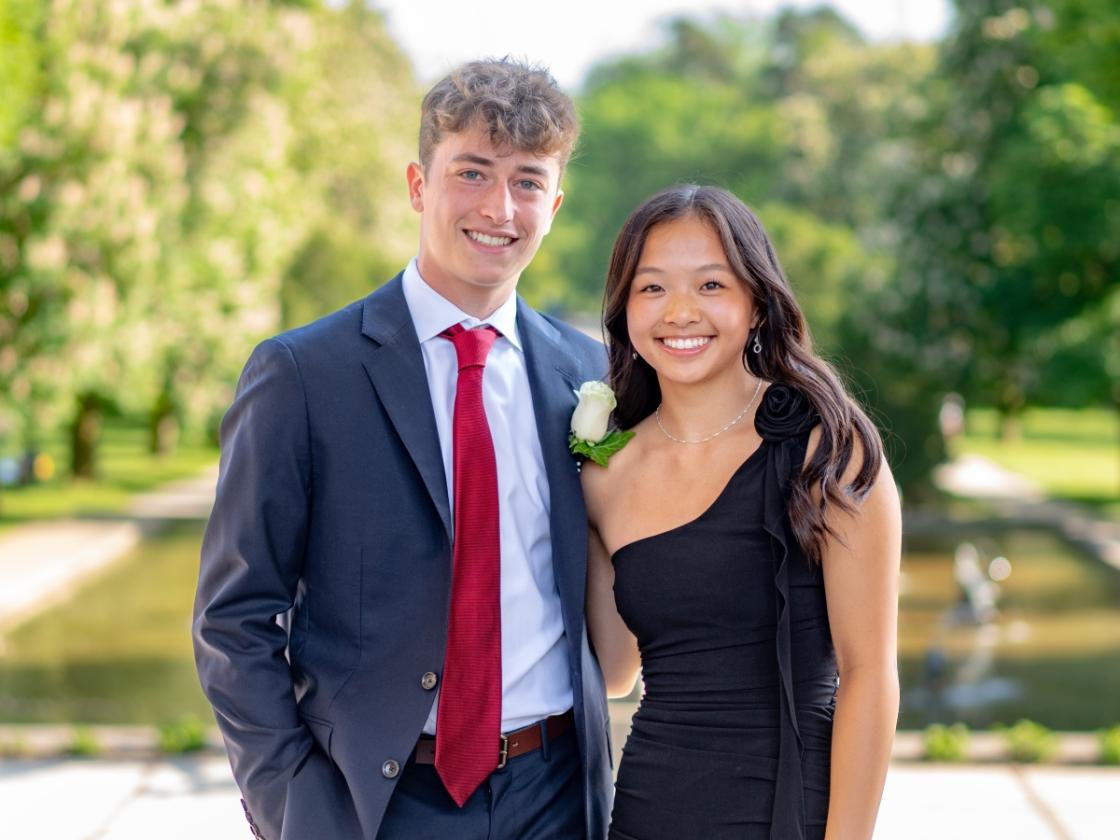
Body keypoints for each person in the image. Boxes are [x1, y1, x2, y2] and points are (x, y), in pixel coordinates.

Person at [193, 59, 612, 840]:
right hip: (376, 805)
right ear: (418, 185)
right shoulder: (303, 374)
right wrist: (291, 802)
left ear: (554, 204)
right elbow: (235, 617)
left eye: (527, 181)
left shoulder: (589, 377)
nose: (499, 207)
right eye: (473, 172)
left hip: (559, 794)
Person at [582, 185, 901, 839]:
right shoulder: (604, 472)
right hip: (650, 810)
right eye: (652, 289)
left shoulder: (826, 446)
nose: (679, 312)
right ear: (623, 309)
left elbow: (869, 673)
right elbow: (617, 671)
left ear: (756, 302)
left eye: (710, 285)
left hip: (789, 812)